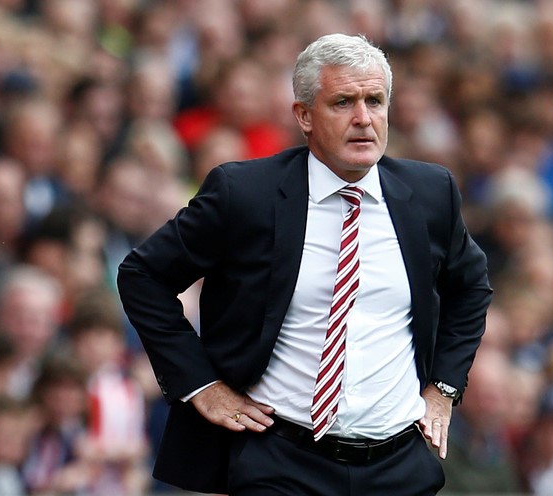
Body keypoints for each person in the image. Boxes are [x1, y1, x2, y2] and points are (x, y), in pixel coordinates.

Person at [118, 33, 492, 495]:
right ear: (304, 116)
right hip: (282, 461)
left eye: (375, 101)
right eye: (343, 102)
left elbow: (471, 286)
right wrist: (201, 384)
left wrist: (445, 387)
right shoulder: (245, 194)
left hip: (398, 466)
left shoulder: (431, 193)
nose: (363, 118)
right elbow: (142, 275)